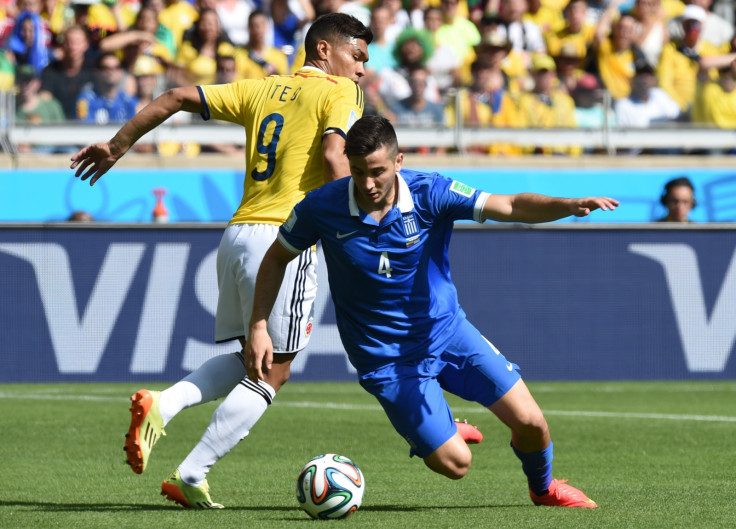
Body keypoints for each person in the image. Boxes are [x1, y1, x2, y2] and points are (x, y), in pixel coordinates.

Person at [70, 12, 372, 510]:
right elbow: (337, 156)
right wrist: (359, 228)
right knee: (274, 370)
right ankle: (192, 472)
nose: (361, 69)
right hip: (286, 240)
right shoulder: (342, 94)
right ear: (324, 51)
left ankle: (162, 406)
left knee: (252, 358)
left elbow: (175, 97)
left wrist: (117, 145)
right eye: (356, 56)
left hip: (236, 236)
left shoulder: (264, 89)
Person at [245, 115, 617, 507]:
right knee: (457, 464)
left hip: (447, 333)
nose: (367, 184)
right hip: (386, 360)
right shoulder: (321, 206)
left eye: (377, 172)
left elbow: (507, 204)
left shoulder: (431, 192)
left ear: (399, 161)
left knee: (532, 423)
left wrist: (569, 205)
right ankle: (439, 427)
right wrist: (258, 326)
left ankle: (544, 489)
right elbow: (275, 258)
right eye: (357, 172)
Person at [76, 52, 138, 123]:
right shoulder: (85, 100)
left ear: (121, 72)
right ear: (96, 72)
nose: (111, 72)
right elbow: (83, 128)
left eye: (116, 67)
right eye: (105, 68)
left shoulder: (129, 101)